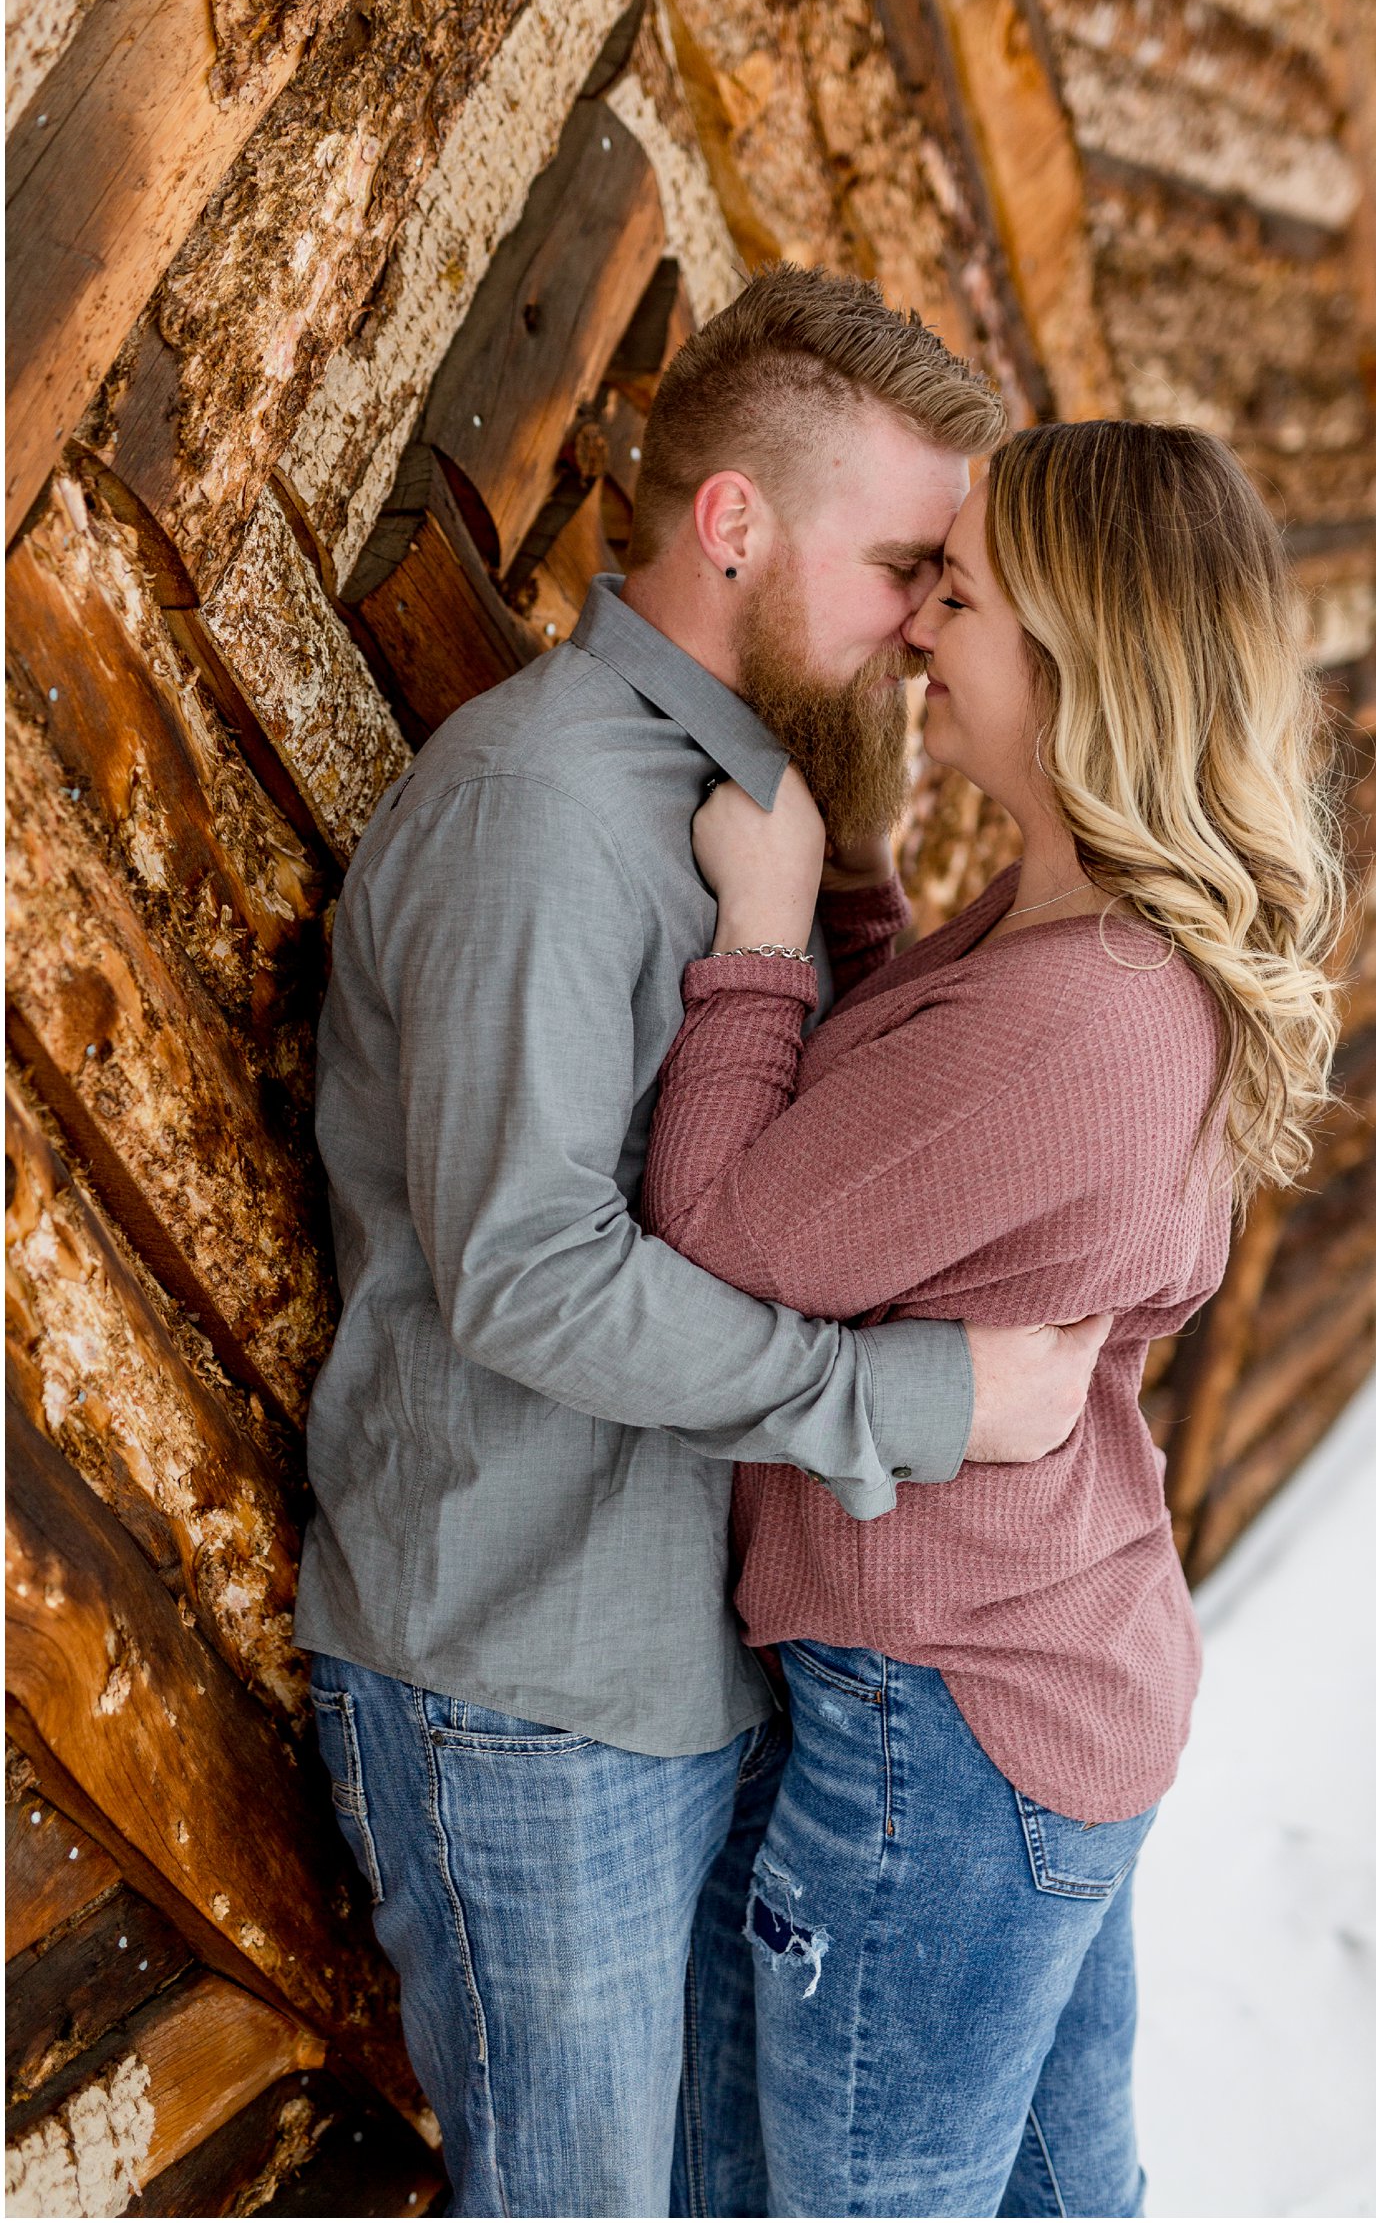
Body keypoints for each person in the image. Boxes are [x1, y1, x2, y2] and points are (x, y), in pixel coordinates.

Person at [295, 268, 1117, 2218]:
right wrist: (913, 1400)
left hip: (697, 1671)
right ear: (734, 522)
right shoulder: (542, 814)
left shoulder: (750, 791)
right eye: (904, 561)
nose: (926, 617)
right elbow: (531, 1275)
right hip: (526, 1692)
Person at [644, 418, 1349, 2217]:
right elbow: (915, 1130)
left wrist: (761, 928)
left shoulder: (1080, 1013)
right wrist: (865, 888)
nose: (910, 633)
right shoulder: (1072, 938)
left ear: (1076, 654)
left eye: (953, 596)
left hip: (936, 1730)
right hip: (1027, 1690)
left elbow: (724, 1228)